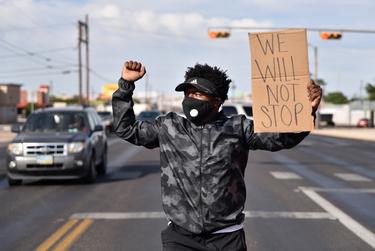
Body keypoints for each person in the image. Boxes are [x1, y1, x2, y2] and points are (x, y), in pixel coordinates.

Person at [112, 60, 322, 251]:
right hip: (180, 238)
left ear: (217, 101)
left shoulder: (238, 127)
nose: (191, 99)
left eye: (198, 94)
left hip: (227, 238)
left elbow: (281, 138)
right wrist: (125, 86)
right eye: (188, 93)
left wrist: (307, 113)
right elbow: (126, 129)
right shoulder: (169, 126)